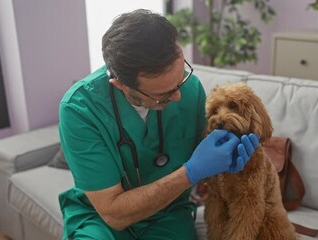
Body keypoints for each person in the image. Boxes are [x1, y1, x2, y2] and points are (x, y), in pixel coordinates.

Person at [58, 9, 259, 240]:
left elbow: (206, 159)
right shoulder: (80, 109)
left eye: (180, 78)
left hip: (169, 213)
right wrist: (190, 172)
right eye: (162, 95)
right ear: (120, 85)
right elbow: (113, 214)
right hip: (99, 219)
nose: (178, 97)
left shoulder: (191, 89)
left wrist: (226, 162)